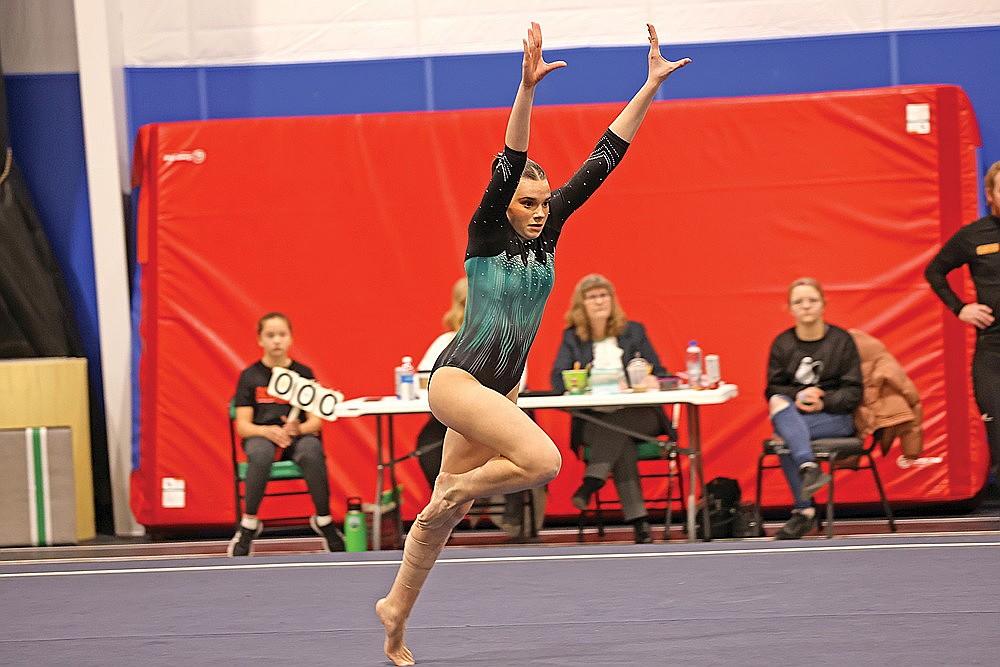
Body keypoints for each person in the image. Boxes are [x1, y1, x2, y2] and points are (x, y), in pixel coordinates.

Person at [376, 22, 690, 666]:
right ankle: (456, 494)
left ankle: (395, 618)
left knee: (440, 515)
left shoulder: (548, 236)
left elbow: (606, 158)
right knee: (541, 463)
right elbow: (510, 159)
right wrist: (525, 90)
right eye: (530, 202)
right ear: (507, 204)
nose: (541, 209)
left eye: (546, 201)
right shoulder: (487, 232)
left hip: (501, 385)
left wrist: (649, 86)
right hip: (459, 380)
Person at [550, 273, 675, 544]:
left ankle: (593, 479)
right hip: (596, 418)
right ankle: (640, 524)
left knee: (618, 422)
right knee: (620, 443)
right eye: (592, 296)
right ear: (581, 304)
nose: (599, 301)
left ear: (612, 300)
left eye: (603, 295)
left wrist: (652, 379)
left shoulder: (634, 331)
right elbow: (556, 379)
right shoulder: (573, 338)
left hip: (640, 417)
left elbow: (661, 372)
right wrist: (578, 381)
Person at [414, 277, 542, 536]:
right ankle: (447, 506)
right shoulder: (445, 343)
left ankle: (502, 508)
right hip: (455, 420)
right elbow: (423, 380)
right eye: (466, 304)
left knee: (526, 451)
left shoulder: (506, 340)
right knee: (425, 442)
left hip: (496, 417)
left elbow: (517, 380)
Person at [228, 312, 345, 556]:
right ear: (260, 340)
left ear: (291, 338)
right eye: (270, 335)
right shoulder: (249, 377)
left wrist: (298, 429)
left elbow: (316, 423)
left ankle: (324, 520)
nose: (277, 341)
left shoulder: (304, 373)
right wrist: (266, 431)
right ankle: (249, 525)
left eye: (282, 335)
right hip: (262, 435)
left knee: (312, 450)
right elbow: (243, 426)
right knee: (259, 454)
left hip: (297, 437)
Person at [765, 277, 862, 540]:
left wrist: (824, 401)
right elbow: (772, 390)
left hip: (835, 418)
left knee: (785, 436)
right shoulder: (782, 344)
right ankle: (808, 470)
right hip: (796, 415)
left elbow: (854, 392)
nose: (806, 306)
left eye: (812, 300)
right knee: (779, 404)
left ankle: (804, 512)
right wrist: (798, 396)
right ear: (789, 308)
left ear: (823, 305)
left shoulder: (841, 341)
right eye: (799, 302)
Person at [924, 160, 1000, 482]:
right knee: (997, 425)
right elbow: (934, 271)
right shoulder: (973, 237)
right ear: (990, 193)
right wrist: (960, 308)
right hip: (993, 350)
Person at [849, 328, 941, 469]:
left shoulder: (832, 354)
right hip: (885, 411)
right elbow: (905, 386)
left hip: (845, 416)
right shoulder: (879, 355)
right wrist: (912, 453)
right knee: (908, 415)